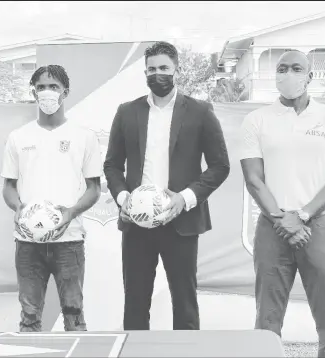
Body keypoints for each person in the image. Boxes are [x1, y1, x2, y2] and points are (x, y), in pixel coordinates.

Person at [103, 41, 230, 330]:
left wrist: (185, 198)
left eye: (163, 68)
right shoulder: (126, 112)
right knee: (135, 302)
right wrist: (125, 200)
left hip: (181, 221)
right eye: (151, 69)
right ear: (144, 73)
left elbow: (220, 165)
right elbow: (112, 164)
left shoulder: (200, 111)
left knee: (184, 304)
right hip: (137, 224)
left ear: (177, 70)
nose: (157, 74)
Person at [240, 50, 325, 357]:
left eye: (296, 68)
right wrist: (282, 219)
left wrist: (303, 214)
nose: (288, 74)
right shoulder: (256, 120)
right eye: (282, 68)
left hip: (320, 227)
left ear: (310, 77)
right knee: (267, 321)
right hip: (273, 228)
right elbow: (254, 179)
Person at [1, 65, 102, 332]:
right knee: (30, 315)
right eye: (41, 87)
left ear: (65, 92)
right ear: (33, 92)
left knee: (74, 313)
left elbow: (94, 189)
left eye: (53, 87)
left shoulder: (84, 137)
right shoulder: (18, 137)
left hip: (69, 241)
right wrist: (18, 207)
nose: (47, 92)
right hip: (28, 241)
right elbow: (8, 187)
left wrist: (70, 213)